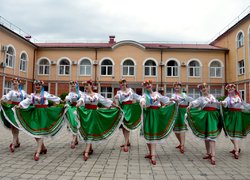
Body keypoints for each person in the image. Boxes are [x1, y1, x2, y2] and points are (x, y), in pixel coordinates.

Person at [13, 80, 65, 161]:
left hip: (44, 114)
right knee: (34, 132)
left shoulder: (45, 94)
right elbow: (26, 101)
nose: (37, 86)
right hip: (35, 114)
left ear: (42, 86)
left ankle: (38, 151)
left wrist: (61, 101)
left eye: (39, 85)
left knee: (39, 133)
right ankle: (43, 148)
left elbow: (53, 97)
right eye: (36, 85)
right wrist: (19, 105)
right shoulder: (32, 95)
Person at [76, 80, 123, 161]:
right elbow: (81, 100)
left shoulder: (97, 95)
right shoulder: (84, 95)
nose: (86, 87)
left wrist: (116, 106)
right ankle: (89, 148)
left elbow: (106, 101)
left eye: (87, 85)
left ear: (91, 86)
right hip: (86, 115)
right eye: (85, 86)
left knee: (90, 130)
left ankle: (87, 151)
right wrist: (78, 104)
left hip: (94, 115)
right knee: (88, 131)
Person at [140, 80, 177, 165]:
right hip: (148, 115)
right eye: (146, 85)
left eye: (149, 84)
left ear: (151, 85)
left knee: (153, 134)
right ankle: (150, 153)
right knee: (148, 134)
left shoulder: (157, 94)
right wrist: (143, 103)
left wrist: (173, 101)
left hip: (156, 115)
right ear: (144, 87)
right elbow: (142, 101)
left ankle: (153, 155)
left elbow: (166, 100)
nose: (148, 86)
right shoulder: (145, 95)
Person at [186, 83, 222, 165]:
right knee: (206, 136)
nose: (204, 89)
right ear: (201, 90)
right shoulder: (201, 98)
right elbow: (194, 102)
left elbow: (217, 105)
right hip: (205, 117)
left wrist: (221, 104)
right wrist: (189, 106)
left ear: (208, 88)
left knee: (212, 136)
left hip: (213, 117)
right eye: (202, 88)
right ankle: (208, 153)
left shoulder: (212, 96)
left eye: (205, 87)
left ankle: (213, 155)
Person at [220, 83, 250, 159]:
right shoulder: (228, 98)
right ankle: (236, 148)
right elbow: (225, 103)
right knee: (230, 133)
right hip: (231, 116)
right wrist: (223, 103)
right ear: (228, 91)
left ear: (234, 89)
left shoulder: (239, 97)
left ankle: (236, 151)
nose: (231, 90)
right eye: (229, 89)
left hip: (238, 116)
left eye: (232, 88)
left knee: (235, 132)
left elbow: (244, 104)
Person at [0, 77, 28, 152]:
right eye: (13, 82)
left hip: (21, 109)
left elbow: (28, 99)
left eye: (16, 81)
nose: (14, 83)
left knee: (17, 125)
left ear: (19, 83)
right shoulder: (11, 92)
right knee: (14, 125)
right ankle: (14, 143)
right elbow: (6, 98)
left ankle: (16, 142)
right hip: (13, 109)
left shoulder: (23, 92)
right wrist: (2, 100)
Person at [114, 78, 142, 152]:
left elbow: (137, 96)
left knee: (127, 127)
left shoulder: (130, 90)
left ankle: (126, 144)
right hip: (123, 109)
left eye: (124, 82)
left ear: (126, 83)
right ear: (120, 84)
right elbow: (117, 100)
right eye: (121, 82)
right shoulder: (119, 92)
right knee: (123, 127)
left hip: (130, 109)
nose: (123, 83)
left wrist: (142, 100)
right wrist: (116, 98)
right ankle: (127, 141)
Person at [170, 82, 193, 154]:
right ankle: (180, 143)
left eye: (178, 86)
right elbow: (171, 103)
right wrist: (172, 101)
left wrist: (189, 106)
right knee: (176, 129)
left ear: (181, 87)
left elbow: (191, 100)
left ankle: (182, 145)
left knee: (182, 128)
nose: (176, 87)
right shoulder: (173, 95)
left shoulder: (184, 95)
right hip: (176, 111)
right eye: (175, 86)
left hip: (183, 111)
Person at [64, 81, 81, 149]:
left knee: (76, 124)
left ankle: (74, 140)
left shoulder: (80, 93)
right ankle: (74, 140)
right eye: (71, 86)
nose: (72, 87)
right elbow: (68, 99)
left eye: (74, 86)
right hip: (72, 109)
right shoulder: (70, 93)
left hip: (78, 109)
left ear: (77, 86)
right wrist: (66, 99)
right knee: (73, 123)